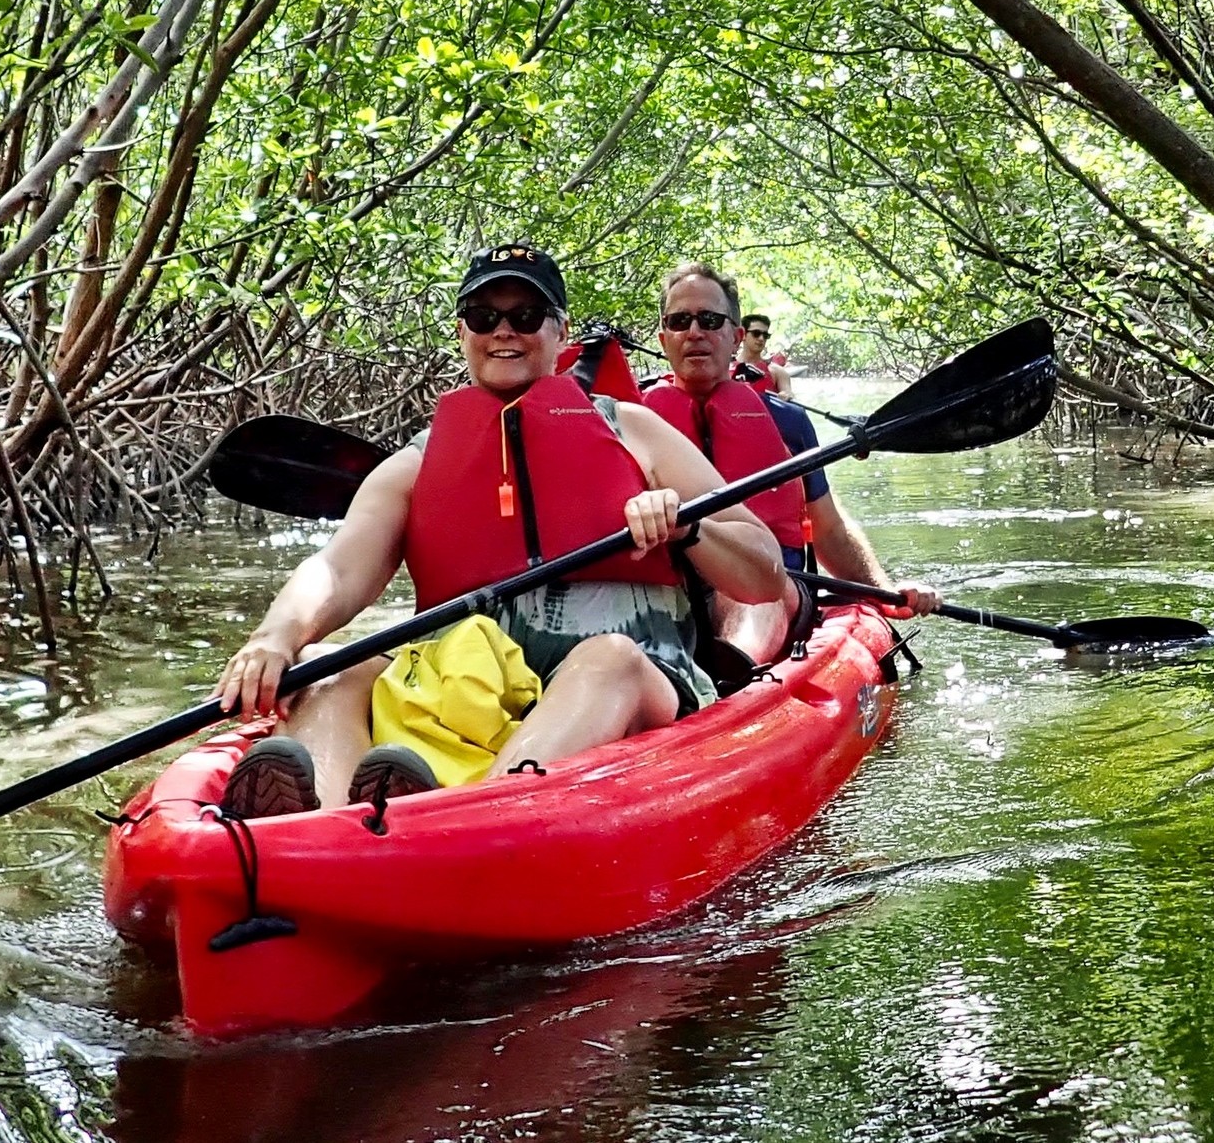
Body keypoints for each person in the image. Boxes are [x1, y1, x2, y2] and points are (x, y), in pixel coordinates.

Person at [210, 244, 791, 818]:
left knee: (607, 658)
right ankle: (317, 830)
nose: (503, 332)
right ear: (464, 332)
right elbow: (337, 569)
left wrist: (689, 529)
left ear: (561, 332)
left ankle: (459, 819)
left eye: (525, 316)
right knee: (333, 670)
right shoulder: (417, 463)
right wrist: (275, 638)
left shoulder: (636, 432)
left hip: (627, 683)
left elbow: (764, 574)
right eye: (483, 317)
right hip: (460, 687)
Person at [646, 262, 941, 663]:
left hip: (773, 586)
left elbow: (829, 530)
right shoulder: (630, 424)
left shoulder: (787, 422)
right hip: (667, 594)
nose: (694, 332)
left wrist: (884, 592)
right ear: (664, 338)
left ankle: (734, 672)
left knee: (755, 593)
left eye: (710, 320)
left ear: (734, 337)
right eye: (680, 321)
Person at [735, 314, 793, 398]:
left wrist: (786, 395)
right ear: (743, 334)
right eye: (756, 333)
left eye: (765, 335)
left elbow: (787, 393)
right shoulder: (725, 368)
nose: (761, 338)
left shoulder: (778, 372)